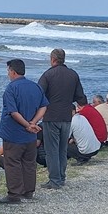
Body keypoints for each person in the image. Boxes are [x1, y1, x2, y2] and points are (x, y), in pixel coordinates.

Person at [0, 59, 48, 205]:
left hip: (14, 133)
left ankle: (14, 194)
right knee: (29, 162)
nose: (8, 74)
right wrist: (34, 122)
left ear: (13, 71)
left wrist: (28, 124)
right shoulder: (35, 87)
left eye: (8, 71)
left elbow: (13, 112)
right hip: (30, 135)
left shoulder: (11, 88)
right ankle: (28, 190)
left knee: (12, 162)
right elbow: (44, 106)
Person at [37, 48, 85, 189]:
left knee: (51, 150)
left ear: (53, 59)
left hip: (51, 116)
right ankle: (61, 177)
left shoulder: (47, 75)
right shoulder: (73, 75)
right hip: (66, 116)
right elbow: (80, 97)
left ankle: (55, 180)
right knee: (62, 149)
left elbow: (39, 94)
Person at [67, 99, 102, 164]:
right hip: (96, 148)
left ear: (73, 112)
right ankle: (85, 157)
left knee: (64, 145)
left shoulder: (71, 122)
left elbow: (65, 137)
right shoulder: (82, 117)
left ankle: (81, 158)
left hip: (86, 151)